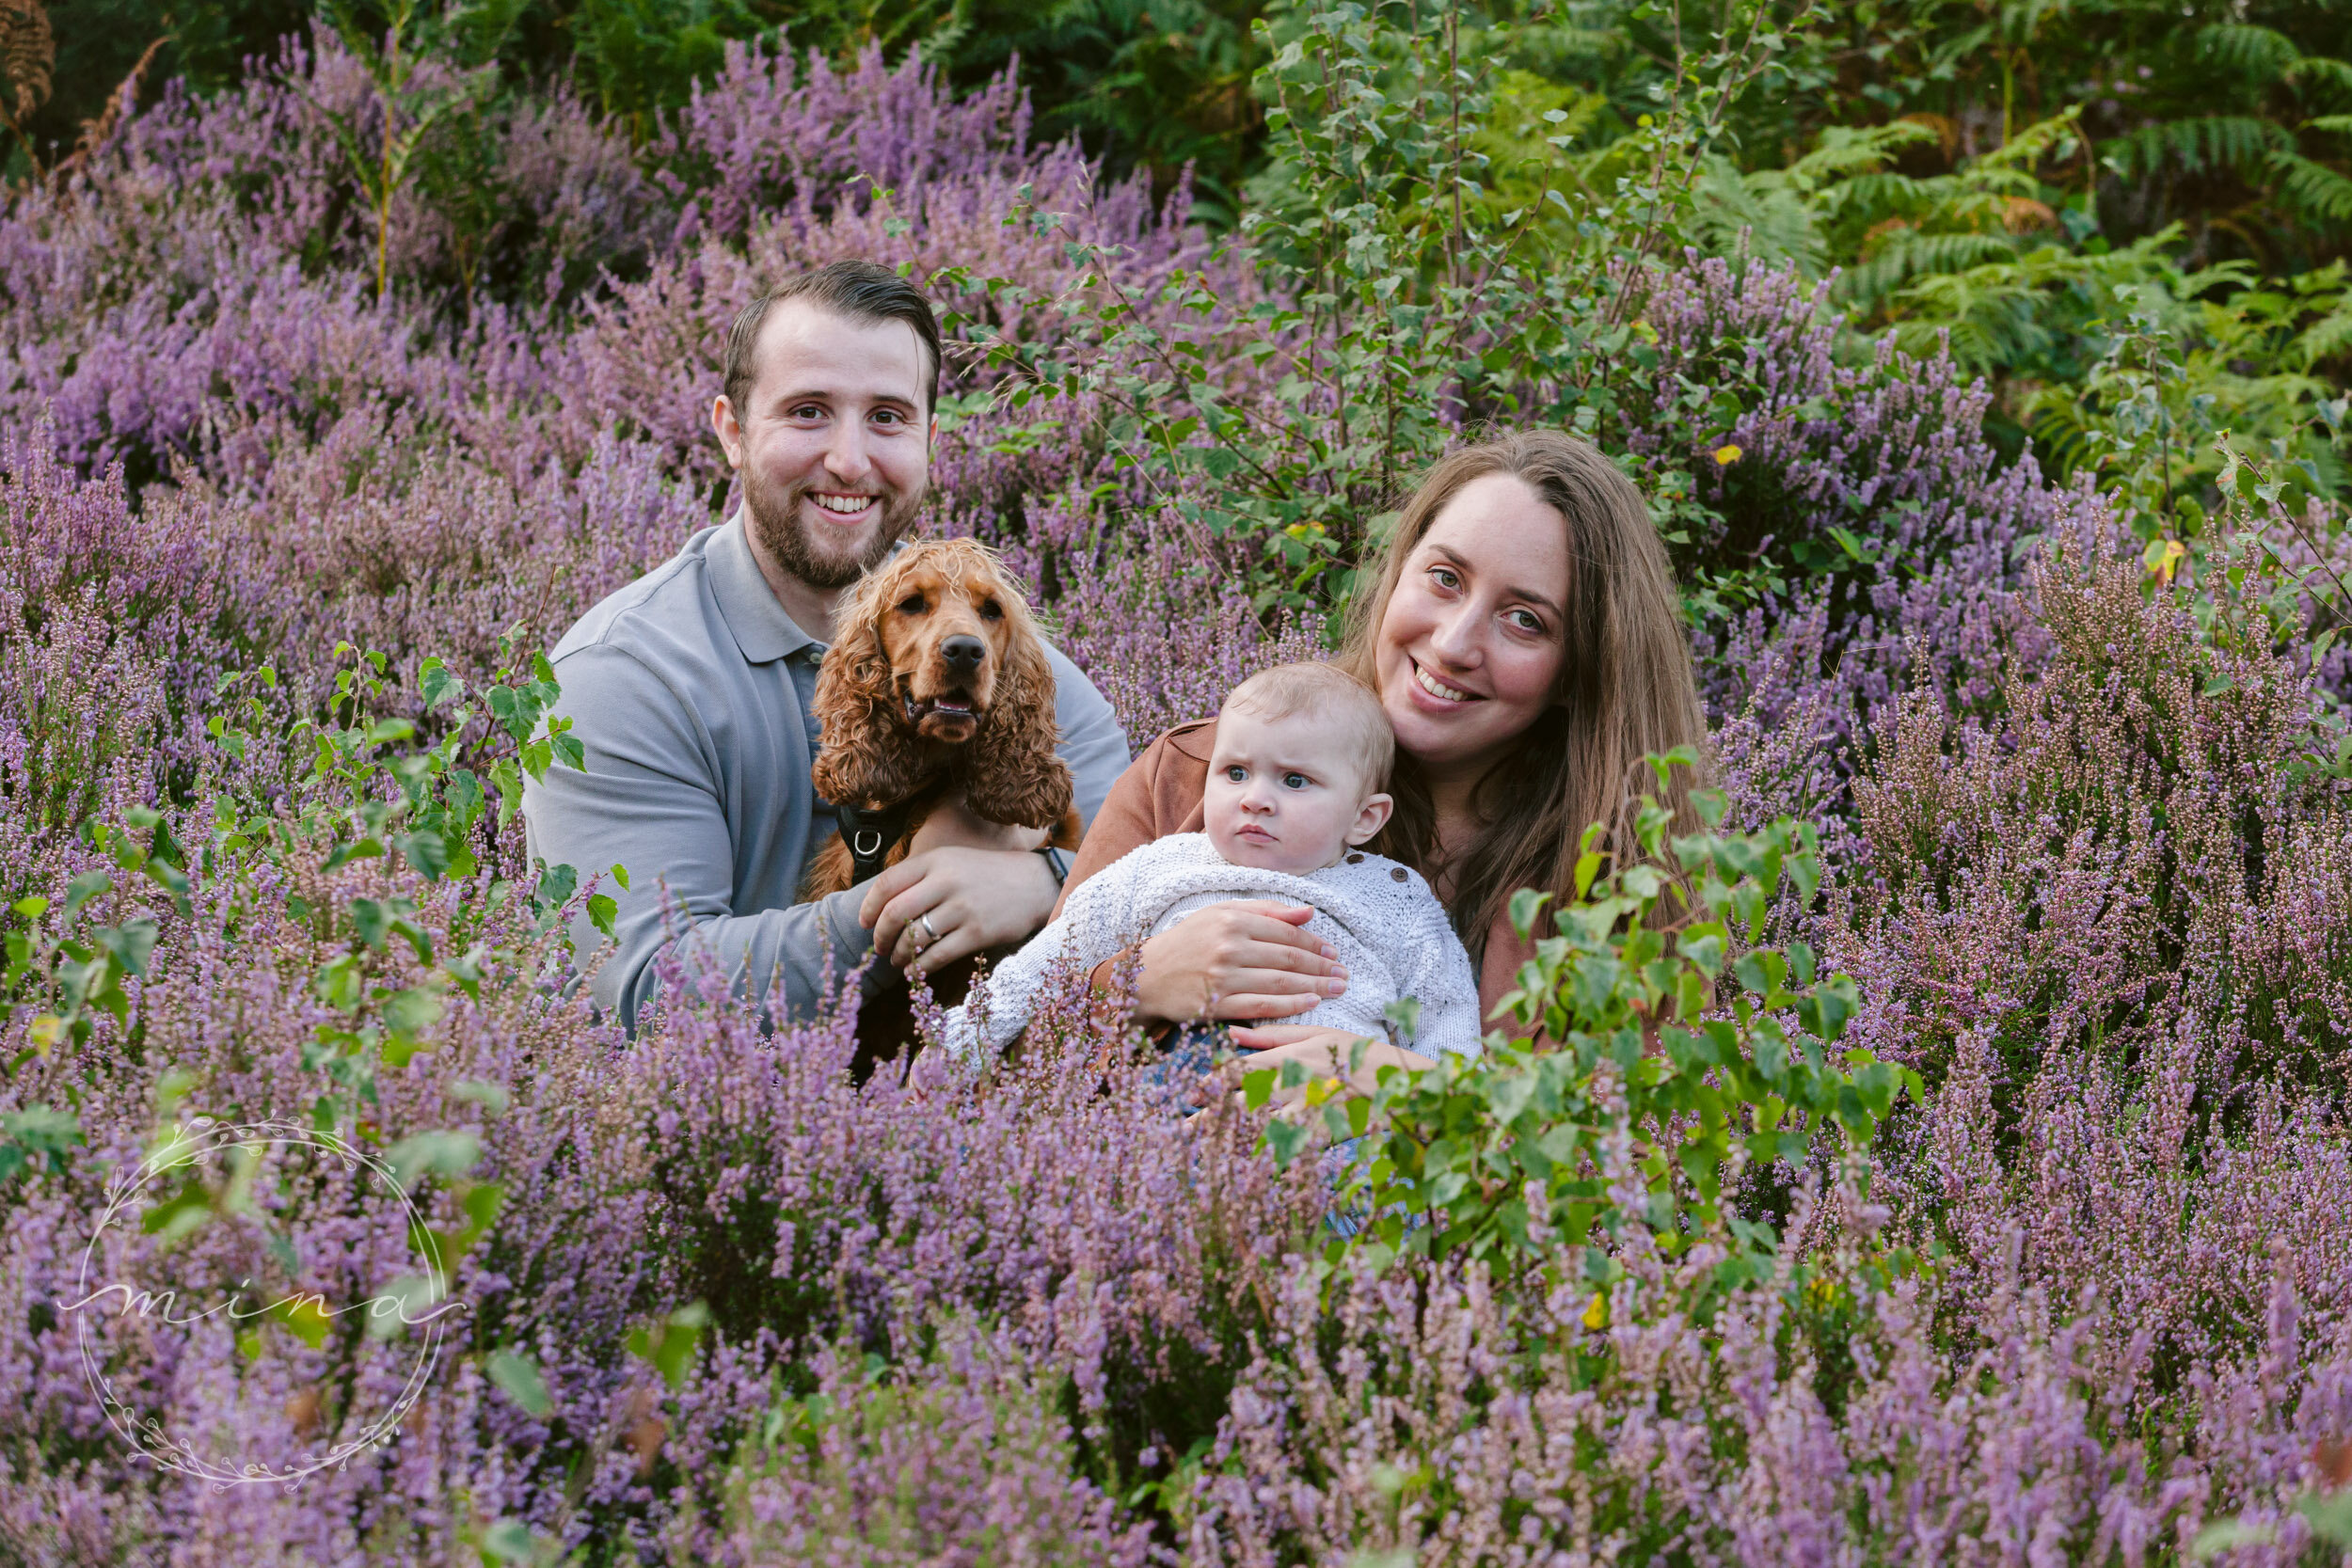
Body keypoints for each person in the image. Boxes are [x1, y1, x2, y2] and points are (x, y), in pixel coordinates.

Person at [523, 261, 1130, 1031]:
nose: (849, 460)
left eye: (887, 417)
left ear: (930, 439)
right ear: (733, 431)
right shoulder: (623, 680)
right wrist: (910, 904)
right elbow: (651, 994)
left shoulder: (1001, 656)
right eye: (808, 412)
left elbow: (1154, 872)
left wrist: (1043, 883)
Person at [1057, 429, 1708, 1087]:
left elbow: (1646, 1157)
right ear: (1398, 574)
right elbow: (1007, 1060)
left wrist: (1418, 1094)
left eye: (1524, 620)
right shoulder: (1186, 777)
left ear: (1579, 672)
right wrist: (1136, 985)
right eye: (1445, 578)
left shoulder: (1624, 891)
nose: (1454, 643)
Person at [938, 662, 1483, 1064]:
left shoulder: (1395, 897)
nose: (1255, 798)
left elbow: (1443, 1008)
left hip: (1337, 1112)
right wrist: (965, 1041)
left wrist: (1433, 1093)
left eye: (1295, 781)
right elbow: (1052, 959)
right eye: (1235, 773)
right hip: (1176, 1084)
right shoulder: (1164, 866)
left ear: (1365, 818)